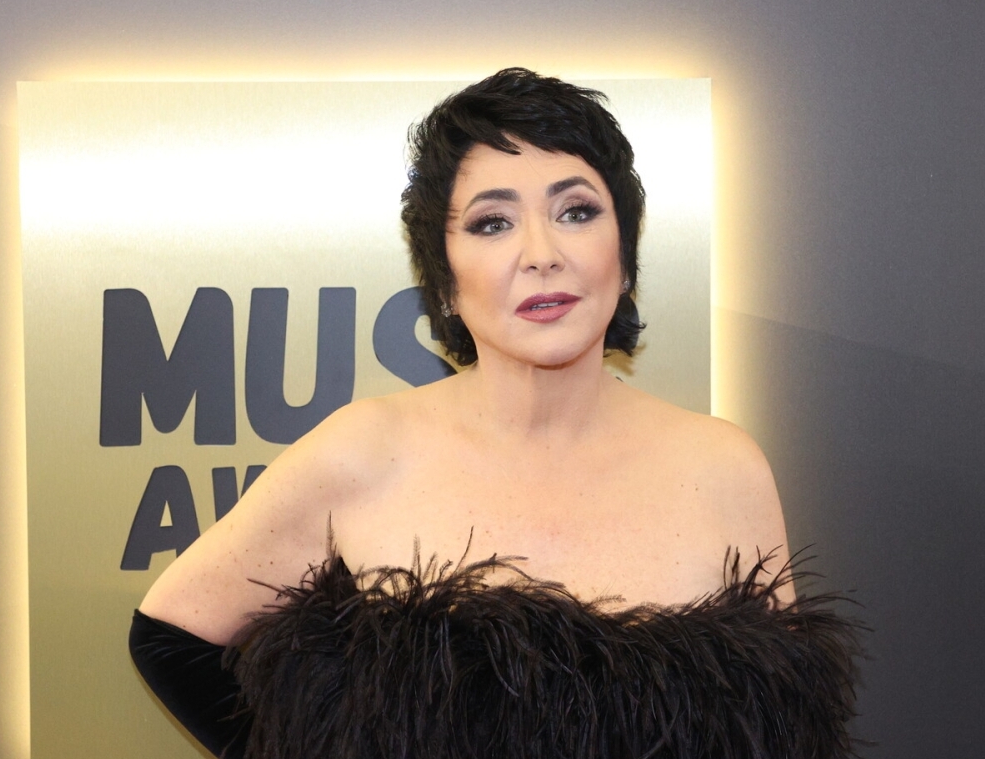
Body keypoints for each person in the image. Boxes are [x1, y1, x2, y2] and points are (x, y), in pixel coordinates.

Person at [131, 68, 860, 759]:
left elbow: (783, 731)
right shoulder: (365, 450)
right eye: (492, 223)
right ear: (445, 283)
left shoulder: (723, 465)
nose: (542, 253)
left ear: (624, 258)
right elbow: (170, 636)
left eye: (576, 211)